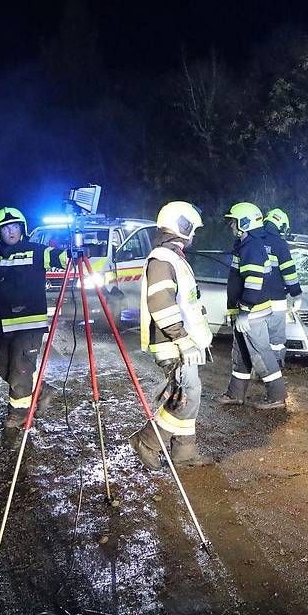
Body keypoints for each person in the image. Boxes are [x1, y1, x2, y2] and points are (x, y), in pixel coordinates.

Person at [0, 207, 70, 441]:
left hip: (29, 324)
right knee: (2, 366)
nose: (10, 231)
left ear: (22, 229)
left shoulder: (36, 251)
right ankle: (41, 391)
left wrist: (74, 252)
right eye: (5, 228)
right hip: (3, 324)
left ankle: (19, 413)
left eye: (14, 227)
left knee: (20, 370)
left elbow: (58, 257)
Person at [129, 201, 215, 469]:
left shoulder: (172, 257)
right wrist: (181, 339)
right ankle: (148, 441)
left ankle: (184, 452)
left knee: (189, 393)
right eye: (193, 228)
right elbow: (161, 304)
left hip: (181, 342)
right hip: (174, 344)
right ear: (182, 225)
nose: (194, 235)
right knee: (186, 395)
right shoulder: (162, 259)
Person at [218, 202, 287, 409]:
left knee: (261, 355)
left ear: (244, 223)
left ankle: (277, 397)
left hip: (252, 314)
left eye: (233, 222)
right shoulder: (246, 245)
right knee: (241, 354)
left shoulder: (251, 247)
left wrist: (245, 312)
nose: (231, 225)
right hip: (246, 313)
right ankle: (235, 394)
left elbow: (254, 282)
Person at [259, 207, 303, 366]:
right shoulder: (280, 244)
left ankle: (257, 367)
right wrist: (296, 294)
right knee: (276, 339)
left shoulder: (251, 240)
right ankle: (274, 368)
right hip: (276, 299)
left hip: (253, 299)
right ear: (282, 226)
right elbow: (289, 273)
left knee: (257, 336)